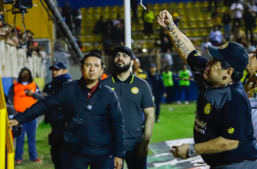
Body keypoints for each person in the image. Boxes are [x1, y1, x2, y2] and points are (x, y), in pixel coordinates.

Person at [157, 10, 257, 168]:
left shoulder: (234, 99)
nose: (208, 63)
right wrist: (170, 26)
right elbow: (189, 51)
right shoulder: (210, 73)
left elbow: (229, 142)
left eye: (216, 61)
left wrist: (191, 150)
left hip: (237, 165)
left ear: (228, 72)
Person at [10, 52, 124, 169]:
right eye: (88, 65)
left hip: (102, 154)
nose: (91, 69)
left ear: (101, 71)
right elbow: (44, 105)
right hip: (75, 153)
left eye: (96, 65)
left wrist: (119, 154)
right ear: (81, 69)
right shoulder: (68, 89)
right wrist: (19, 119)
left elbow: (118, 125)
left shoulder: (109, 94)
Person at [102, 46, 154, 169]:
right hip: (109, 145)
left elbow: (149, 115)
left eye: (124, 56)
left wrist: (145, 142)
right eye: (117, 55)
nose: (120, 58)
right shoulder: (103, 85)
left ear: (132, 62)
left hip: (135, 144)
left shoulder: (142, 85)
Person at [8, 67, 44, 164]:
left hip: (32, 116)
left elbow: (42, 97)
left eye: (27, 73)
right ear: (20, 74)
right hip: (19, 116)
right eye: (23, 73)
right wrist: (13, 113)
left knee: (32, 137)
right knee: (20, 138)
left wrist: (33, 94)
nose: (25, 75)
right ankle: (18, 157)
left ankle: (34, 157)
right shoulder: (14, 87)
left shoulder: (34, 86)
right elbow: (9, 101)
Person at [42, 62, 72, 169]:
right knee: (56, 158)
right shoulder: (51, 85)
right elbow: (44, 100)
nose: (54, 72)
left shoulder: (69, 85)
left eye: (57, 70)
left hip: (66, 126)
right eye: (53, 70)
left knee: (65, 160)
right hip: (55, 126)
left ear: (65, 71)